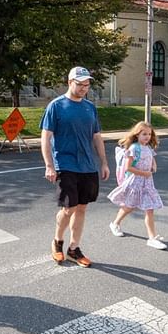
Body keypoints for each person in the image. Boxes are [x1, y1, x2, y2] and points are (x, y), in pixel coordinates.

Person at [40, 66, 109, 268]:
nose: (84, 88)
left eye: (87, 85)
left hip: (87, 166)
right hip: (66, 163)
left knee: (82, 208)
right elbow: (45, 137)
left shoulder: (90, 107)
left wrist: (103, 162)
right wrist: (49, 165)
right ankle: (57, 241)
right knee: (68, 208)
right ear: (70, 82)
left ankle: (74, 248)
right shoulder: (56, 106)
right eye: (80, 84)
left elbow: (96, 136)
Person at [107, 121, 167, 250]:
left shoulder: (148, 148)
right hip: (135, 182)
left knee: (149, 209)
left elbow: (152, 158)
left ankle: (152, 238)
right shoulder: (134, 148)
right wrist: (143, 173)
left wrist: (153, 166)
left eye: (149, 134)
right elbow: (128, 168)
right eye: (144, 134)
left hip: (147, 183)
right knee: (129, 206)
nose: (147, 136)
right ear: (137, 134)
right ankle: (115, 223)